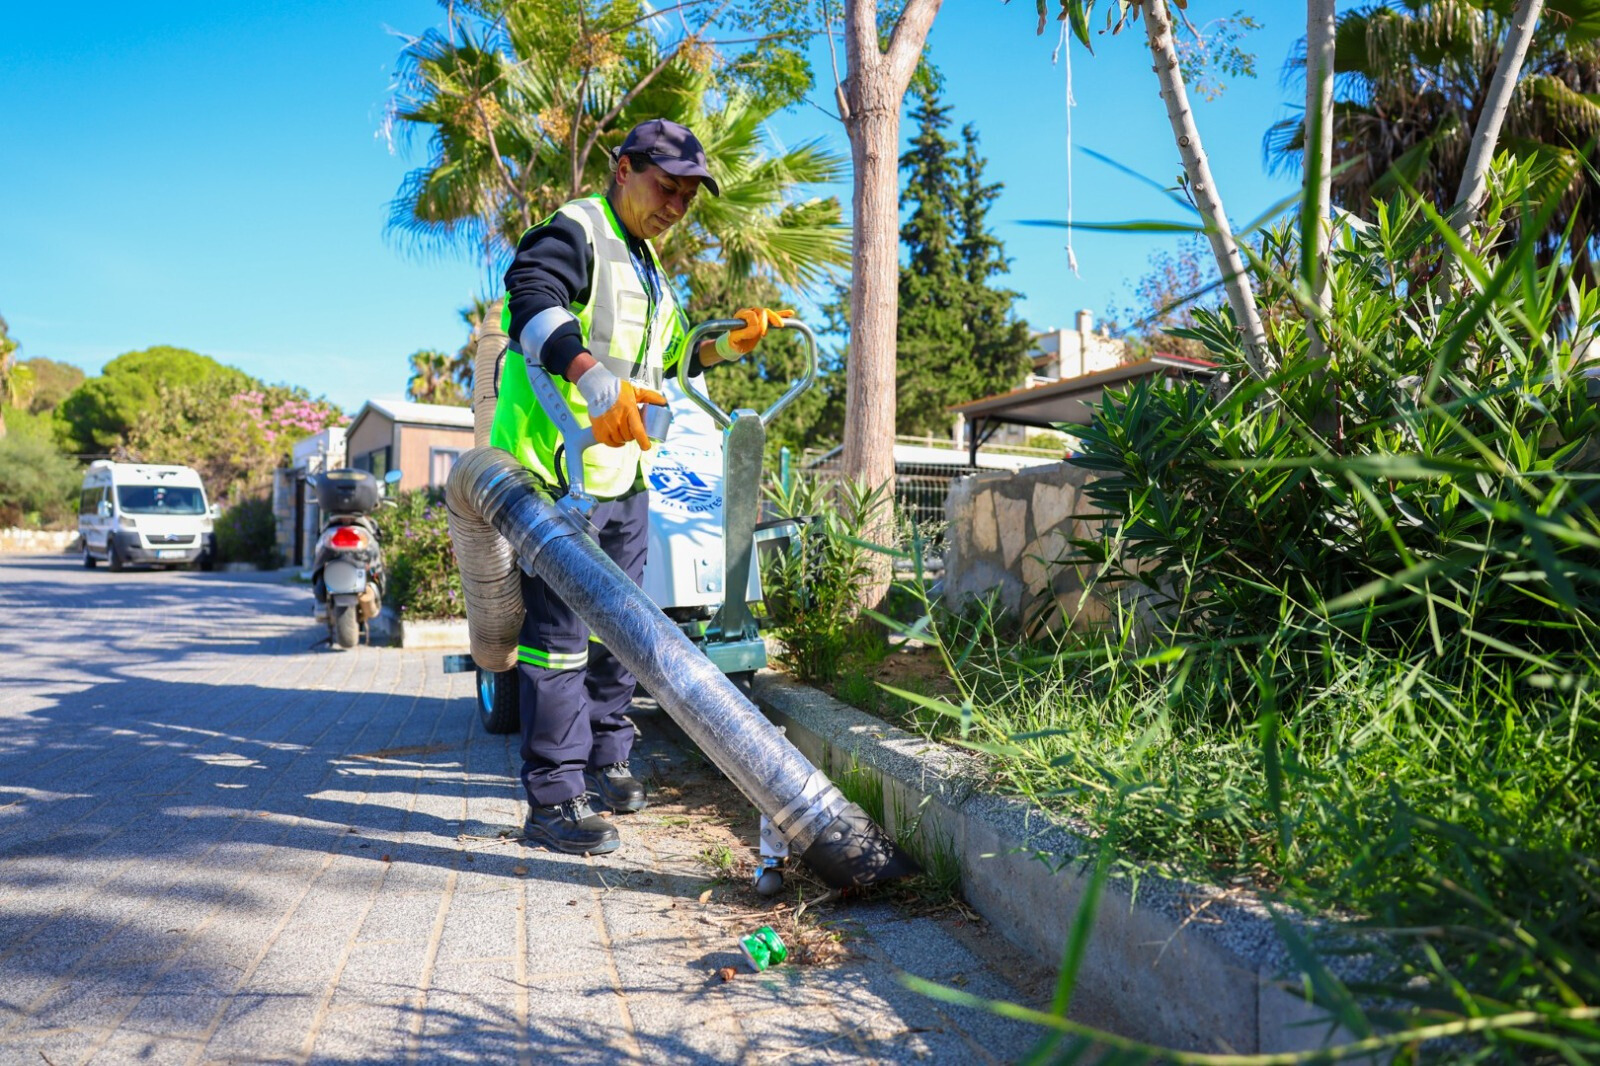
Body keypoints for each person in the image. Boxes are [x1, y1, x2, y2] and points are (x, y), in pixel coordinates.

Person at [492, 118, 790, 856]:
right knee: (559, 640)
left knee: (621, 631)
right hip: (553, 470)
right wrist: (591, 378)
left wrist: (729, 344)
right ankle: (554, 800)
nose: (675, 205)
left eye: (688, 197)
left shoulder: (651, 267)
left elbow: (669, 362)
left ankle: (607, 755)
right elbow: (531, 300)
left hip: (620, 475)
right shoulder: (576, 230)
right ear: (623, 169)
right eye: (667, 187)